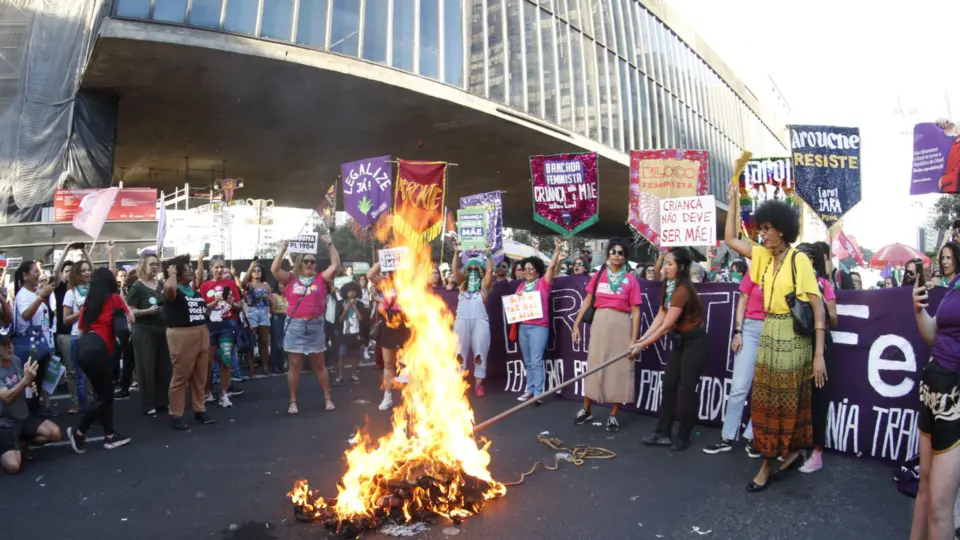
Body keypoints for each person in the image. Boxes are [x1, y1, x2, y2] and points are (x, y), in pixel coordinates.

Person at [723, 182, 827, 492]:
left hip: (793, 341)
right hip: (769, 332)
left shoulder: (799, 261)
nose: (761, 234)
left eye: (767, 228)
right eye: (760, 228)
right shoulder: (763, 257)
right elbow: (729, 239)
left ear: (782, 230)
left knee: (784, 402)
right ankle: (790, 452)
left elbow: (819, 310)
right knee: (766, 401)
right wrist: (733, 200)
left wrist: (819, 355)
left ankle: (767, 465)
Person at [632, 248, 707, 451]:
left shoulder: (683, 289)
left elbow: (666, 325)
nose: (665, 268)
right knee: (668, 385)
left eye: (670, 264)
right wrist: (642, 338)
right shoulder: (669, 284)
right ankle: (662, 432)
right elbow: (661, 314)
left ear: (681, 267)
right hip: (680, 340)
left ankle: (683, 436)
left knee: (687, 389)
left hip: (695, 343)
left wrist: (643, 345)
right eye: (665, 263)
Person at [909, 257, 960, 540]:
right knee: (925, 489)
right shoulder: (957, 282)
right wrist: (918, 309)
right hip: (933, 388)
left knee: (941, 505)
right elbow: (935, 335)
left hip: (956, 395)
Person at [571, 238, 641, 432]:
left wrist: (634, 340)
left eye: (621, 252)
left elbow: (636, 311)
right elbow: (587, 301)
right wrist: (575, 325)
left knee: (620, 367)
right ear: (608, 254)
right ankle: (587, 409)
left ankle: (613, 415)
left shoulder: (631, 279)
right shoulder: (599, 275)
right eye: (613, 251)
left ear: (625, 256)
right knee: (594, 363)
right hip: (600, 322)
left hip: (622, 324)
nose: (617, 255)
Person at [66, 268, 134, 453]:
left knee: (104, 393)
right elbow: (131, 319)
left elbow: (80, 331)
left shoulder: (89, 302)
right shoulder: (115, 298)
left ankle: (109, 436)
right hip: (99, 348)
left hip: (84, 347)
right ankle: (79, 431)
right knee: (105, 396)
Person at [271, 236, 340, 415]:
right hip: (295, 326)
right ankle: (293, 401)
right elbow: (274, 269)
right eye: (306, 261)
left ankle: (327, 398)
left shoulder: (320, 279)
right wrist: (283, 249)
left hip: (315, 326)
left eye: (313, 261)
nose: (310, 263)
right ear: (300, 263)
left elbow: (335, 266)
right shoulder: (291, 279)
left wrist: (330, 244)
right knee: (295, 365)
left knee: (319, 365)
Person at [703, 266, 763, 457]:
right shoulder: (757, 268)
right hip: (750, 328)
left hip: (777, 329)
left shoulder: (787, 268)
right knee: (739, 387)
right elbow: (742, 300)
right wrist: (738, 332)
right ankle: (727, 437)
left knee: (764, 388)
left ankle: (754, 436)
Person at [795, 243, 839, 474]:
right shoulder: (792, 281)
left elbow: (834, 318)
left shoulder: (823, 284)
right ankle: (796, 448)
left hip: (818, 345)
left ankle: (817, 452)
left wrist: (819, 301)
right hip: (796, 344)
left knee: (818, 399)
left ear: (811, 261)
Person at [163, 255, 214, 430]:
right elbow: (169, 286)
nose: (191, 270)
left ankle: (200, 409)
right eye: (186, 268)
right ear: (177, 272)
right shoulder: (173, 291)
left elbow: (200, 309)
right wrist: (171, 273)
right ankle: (176, 414)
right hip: (182, 336)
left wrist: (215, 304)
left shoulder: (193, 291)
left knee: (200, 376)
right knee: (181, 376)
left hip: (201, 333)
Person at [515, 244, 563, 402]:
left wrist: (556, 250)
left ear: (537, 271)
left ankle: (538, 392)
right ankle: (529, 389)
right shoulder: (521, 286)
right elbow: (515, 307)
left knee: (536, 361)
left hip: (538, 327)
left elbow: (551, 267)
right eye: (525, 268)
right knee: (527, 361)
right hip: (523, 327)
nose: (527, 271)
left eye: (531, 268)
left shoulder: (543, 284)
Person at [125, 253, 171, 417]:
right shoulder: (137, 287)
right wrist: (147, 311)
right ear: (143, 265)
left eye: (156, 264)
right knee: (146, 368)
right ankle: (148, 404)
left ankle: (163, 401)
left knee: (163, 367)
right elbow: (129, 310)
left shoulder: (160, 285)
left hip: (162, 330)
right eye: (151, 264)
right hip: (144, 331)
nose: (155, 267)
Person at [200, 255, 244, 408]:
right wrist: (215, 301)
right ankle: (207, 392)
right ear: (211, 268)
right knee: (208, 362)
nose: (219, 269)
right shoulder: (205, 286)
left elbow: (239, 306)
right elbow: (201, 309)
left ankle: (223, 394)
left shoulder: (231, 284)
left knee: (226, 360)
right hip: (211, 327)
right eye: (216, 267)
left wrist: (232, 302)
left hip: (227, 326)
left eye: (222, 267)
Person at [451, 241, 494, 397]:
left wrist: (488, 253)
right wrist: (456, 252)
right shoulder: (462, 284)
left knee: (480, 353)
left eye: (476, 267)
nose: (473, 270)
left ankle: (478, 385)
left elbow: (490, 269)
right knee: (459, 353)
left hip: (480, 322)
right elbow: (454, 269)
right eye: (470, 267)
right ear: (467, 270)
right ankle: (458, 385)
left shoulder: (484, 285)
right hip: (462, 321)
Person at [368, 262, 410, 411]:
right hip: (388, 324)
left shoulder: (408, 282)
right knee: (388, 364)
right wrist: (382, 258)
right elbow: (370, 275)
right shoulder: (384, 283)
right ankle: (387, 397)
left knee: (407, 364)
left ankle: (413, 399)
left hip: (405, 324)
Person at [61, 257, 94, 413]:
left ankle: (95, 406)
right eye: (83, 270)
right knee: (80, 376)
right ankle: (84, 408)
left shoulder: (94, 290)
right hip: (77, 337)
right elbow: (66, 319)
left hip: (95, 336)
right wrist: (80, 313)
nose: (87, 272)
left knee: (94, 374)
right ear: (76, 274)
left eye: (88, 269)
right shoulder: (70, 293)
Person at [53, 259, 83, 413]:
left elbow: (91, 268)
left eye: (73, 271)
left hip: (82, 334)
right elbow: (55, 272)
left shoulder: (82, 289)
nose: (70, 274)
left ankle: (87, 400)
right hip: (65, 335)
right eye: (67, 271)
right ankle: (75, 402)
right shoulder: (60, 288)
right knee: (71, 371)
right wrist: (66, 249)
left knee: (85, 369)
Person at [241, 260, 272, 377]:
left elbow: (272, 302)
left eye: (258, 270)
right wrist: (250, 267)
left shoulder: (266, 285)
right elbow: (242, 284)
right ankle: (251, 368)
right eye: (254, 271)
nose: (256, 272)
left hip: (264, 313)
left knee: (264, 342)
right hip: (251, 313)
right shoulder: (249, 284)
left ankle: (265, 367)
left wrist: (269, 299)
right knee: (251, 342)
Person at [336, 281, 364, 385]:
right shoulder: (340, 304)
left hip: (356, 334)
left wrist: (355, 307)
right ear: (345, 293)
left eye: (353, 291)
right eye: (349, 291)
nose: (351, 293)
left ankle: (354, 375)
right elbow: (339, 320)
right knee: (342, 355)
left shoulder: (360, 304)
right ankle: (340, 376)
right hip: (344, 334)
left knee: (356, 356)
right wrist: (346, 309)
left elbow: (361, 319)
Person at [269, 283, 288, 374]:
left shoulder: (289, 296)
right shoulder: (274, 295)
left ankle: (281, 364)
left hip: (288, 319)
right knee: (276, 342)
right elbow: (272, 310)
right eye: (280, 284)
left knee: (284, 344)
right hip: (277, 319)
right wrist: (284, 311)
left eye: (284, 284)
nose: (282, 286)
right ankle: (274, 365)